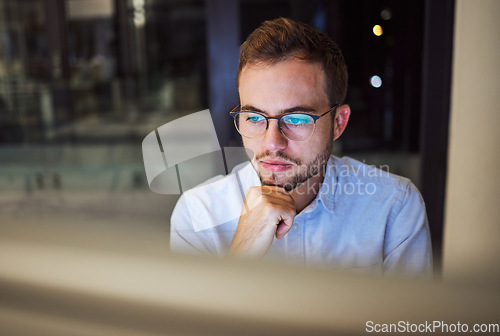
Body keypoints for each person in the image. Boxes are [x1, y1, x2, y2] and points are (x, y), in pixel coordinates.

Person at [170, 18, 432, 276]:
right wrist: (242, 252)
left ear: (339, 123)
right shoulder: (198, 214)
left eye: (297, 119)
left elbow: (406, 321)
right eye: (254, 117)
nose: (272, 142)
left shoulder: (394, 207)